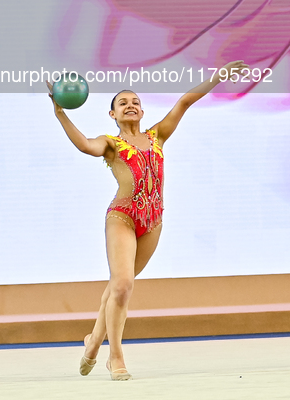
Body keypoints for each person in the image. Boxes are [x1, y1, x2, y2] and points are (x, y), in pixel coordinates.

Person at [47, 59, 248, 380]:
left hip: (153, 220)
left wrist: (219, 76)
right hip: (123, 218)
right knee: (123, 285)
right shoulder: (111, 143)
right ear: (112, 114)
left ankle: (93, 341)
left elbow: (185, 100)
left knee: (117, 287)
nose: (131, 105)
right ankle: (115, 356)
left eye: (135, 102)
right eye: (122, 103)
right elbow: (86, 145)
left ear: (142, 112)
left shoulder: (158, 135)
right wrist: (61, 113)